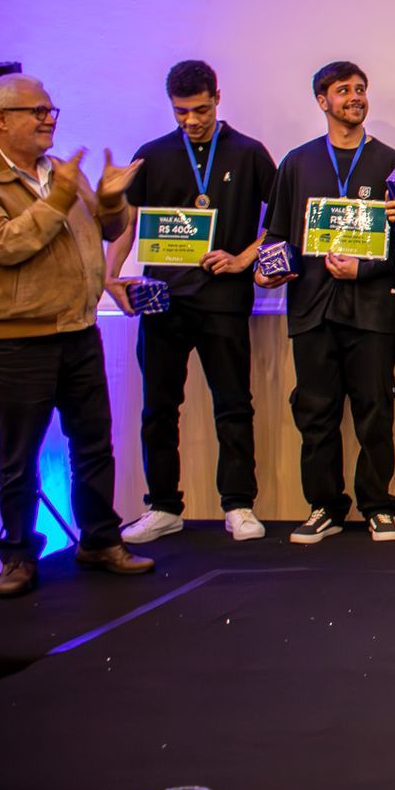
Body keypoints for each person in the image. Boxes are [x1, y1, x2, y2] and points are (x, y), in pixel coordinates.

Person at [0, 74, 152, 597]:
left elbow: (107, 231)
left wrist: (111, 201)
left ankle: (99, 539)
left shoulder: (61, 174)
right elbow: (4, 245)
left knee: (94, 444)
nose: (50, 118)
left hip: (80, 331)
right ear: (1, 120)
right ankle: (20, 555)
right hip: (16, 341)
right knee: (19, 454)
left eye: (51, 110)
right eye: (37, 110)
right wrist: (62, 196)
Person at [106, 60, 276, 544]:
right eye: (182, 113)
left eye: (200, 109)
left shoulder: (248, 153)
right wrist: (110, 276)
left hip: (222, 299)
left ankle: (239, 505)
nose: (192, 121)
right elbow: (128, 222)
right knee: (158, 409)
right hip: (161, 299)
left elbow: (281, 216)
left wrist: (244, 257)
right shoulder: (152, 155)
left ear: (217, 97)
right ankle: (163, 507)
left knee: (233, 405)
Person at [258, 61, 395, 545]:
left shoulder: (394, 162)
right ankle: (324, 506)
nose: (354, 96)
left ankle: (378, 506)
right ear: (322, 101)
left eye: (361, 89)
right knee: (316, 412)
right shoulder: (297, 162)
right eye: (343, 90)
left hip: (371, 308)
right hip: (312, 309)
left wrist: (363, 267)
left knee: (375, 410)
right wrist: (269, 267)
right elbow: (278, 235)